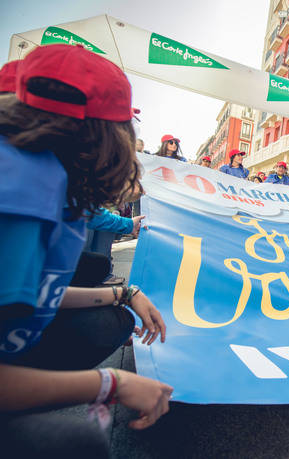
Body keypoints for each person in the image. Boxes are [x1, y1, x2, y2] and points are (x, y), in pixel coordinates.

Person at [0, 44, 172, 456]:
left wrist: (125, 293)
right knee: (81, 446)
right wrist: (113, 383)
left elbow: (41, 293)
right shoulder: (19, 202)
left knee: (110, 320)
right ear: (103, 133)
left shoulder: (40, 173)